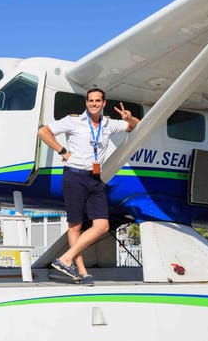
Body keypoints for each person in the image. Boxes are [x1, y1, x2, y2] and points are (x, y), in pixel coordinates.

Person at [37, 88, 138, 284]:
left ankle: (65, 259)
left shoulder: (108, 124)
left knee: (102, 225)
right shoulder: (73, 121)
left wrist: (130, 118)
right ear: (86, 103)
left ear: (103, 103)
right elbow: (44, 131)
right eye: (91, 100)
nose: (94, 103)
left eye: (98, 100)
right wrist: (63, 151)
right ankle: (81, 272)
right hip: (74, 175)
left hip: (96, 178)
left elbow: (135, 126)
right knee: (75, 226)